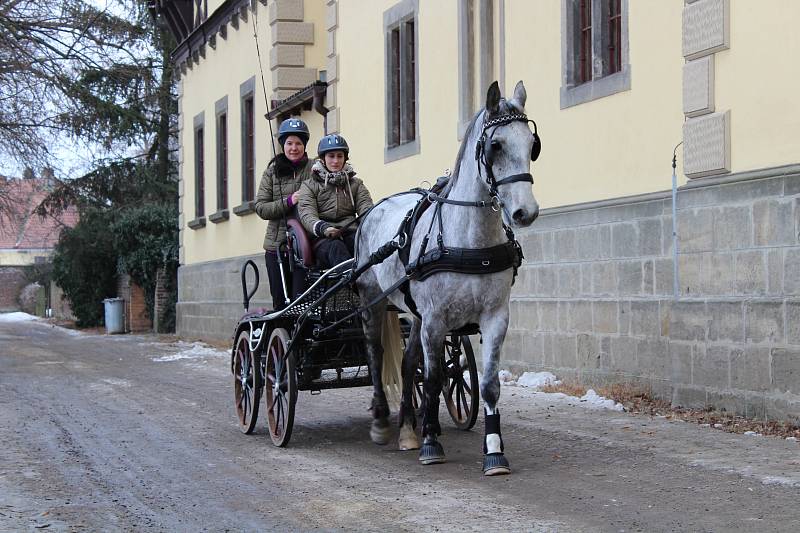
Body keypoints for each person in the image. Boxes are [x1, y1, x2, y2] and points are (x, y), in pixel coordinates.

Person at [254, 117, 314, 310]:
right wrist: (289, 201)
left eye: (298, 143)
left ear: (304, 145)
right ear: (283, 145)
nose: (294, 148)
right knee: (281, 303)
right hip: (277, 247)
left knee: (302, 301)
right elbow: (261, 207)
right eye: (289, 143)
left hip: (306, 246)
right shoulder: (271, 172)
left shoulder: (314, 168)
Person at [297, 134, 374, 269]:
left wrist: (372, 224)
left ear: (345, 159)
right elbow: (307, 214)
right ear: (322, 159)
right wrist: (323, 228)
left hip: (350, 232)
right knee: (336, 247)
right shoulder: (309, 186)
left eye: (339, 156)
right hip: (321, 238)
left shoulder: (356, 184)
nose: (335, 161)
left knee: (364, 245)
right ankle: (347, 286)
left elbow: (366, 207)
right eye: (331, 156)